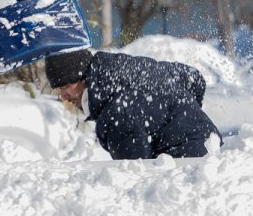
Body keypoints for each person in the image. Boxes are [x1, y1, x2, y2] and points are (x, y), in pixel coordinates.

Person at [44, 48, 222, 160]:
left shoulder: (116, 113)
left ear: (85, 79)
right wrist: (185, 114)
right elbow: (192, 77)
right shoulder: (127, 70)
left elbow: (134, 176)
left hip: (189, 163)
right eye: (59, 89)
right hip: (213, 146)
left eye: (66, 86)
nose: (64, 97)